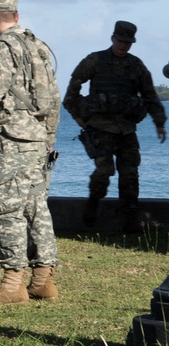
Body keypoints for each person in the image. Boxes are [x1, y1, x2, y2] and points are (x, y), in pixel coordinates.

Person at [0, 0, 60, 305]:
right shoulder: (40, 47)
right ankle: (43, 281)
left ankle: (11, 286)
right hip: (37, 139)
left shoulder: (2, 47)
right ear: (17, 16)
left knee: (3, 209)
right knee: (36, 207)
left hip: (11, 138)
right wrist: (48, 137)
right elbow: (53, 98)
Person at [63, 21, 167, 233]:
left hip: (127, 129)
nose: (124, 45)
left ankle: (129, 220)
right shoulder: (95, 60)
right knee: (104, 170)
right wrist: (76, 115)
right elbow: (72, 89)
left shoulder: (136, 65)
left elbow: (149, 95)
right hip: (100, 127)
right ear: (113, 38)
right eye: (121, 41)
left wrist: (159, 123)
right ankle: (93, 204)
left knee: (130, 174)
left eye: (128, 42)